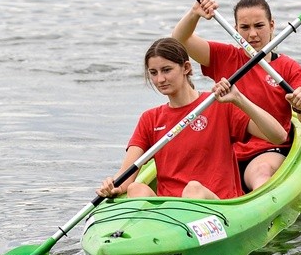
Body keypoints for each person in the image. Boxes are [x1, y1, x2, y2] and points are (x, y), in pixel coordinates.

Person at [96, 37, 288, 201]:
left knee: (193, 189)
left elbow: (278, 136)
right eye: (153, 73)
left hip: (218, 205)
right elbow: (126, 175)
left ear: (186, 68)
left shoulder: (218, 105)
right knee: (135, 189)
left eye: (166, 70)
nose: (160, 79)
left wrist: (239, 100)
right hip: (172, 210)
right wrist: (112, 186)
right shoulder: (150, 119)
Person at [172, 0, 301, 192]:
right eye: (245, 28)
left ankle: (263, 208)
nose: (252, 34)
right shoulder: (224, 56)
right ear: (235, 29)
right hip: (225, 152)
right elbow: (179, 40)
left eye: (259, 25)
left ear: (272, 26)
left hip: (267, 150)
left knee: (260, 173)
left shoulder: (290, 68)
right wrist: (194, 14)